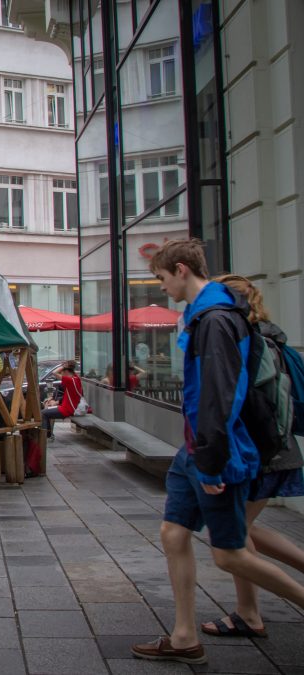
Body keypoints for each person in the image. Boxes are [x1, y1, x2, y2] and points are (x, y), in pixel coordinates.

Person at [132, 239, 304, 665]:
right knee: (173, 534)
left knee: (230, 554)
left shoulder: (215, 320)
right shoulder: (203, 316)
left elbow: (219, 398)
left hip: (217, 451)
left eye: (162, 278)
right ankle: (185, 637)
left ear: (182, 270)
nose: (161, 288)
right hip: (196, 448)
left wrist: (211, 463)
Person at [198, 274, 304, 639]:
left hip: (262, 453)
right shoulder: (269, 337)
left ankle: (249, 613)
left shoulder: (241, 339)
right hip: (278, 448)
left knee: (233, 536)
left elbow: (234, 402)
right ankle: (248, 612)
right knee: (241, 529)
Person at [40, 361, 83, 439]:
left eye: (62, 372)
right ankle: (48, 434)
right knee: (47, 410)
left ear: (66, 371)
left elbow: (54, 372)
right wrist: (55, 401)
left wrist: (63, 366)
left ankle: (44, 436)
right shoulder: (76, 378)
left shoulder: (70, 381)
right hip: (66, 407)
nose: (61, 374)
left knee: (43, 413)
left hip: (66, 410)